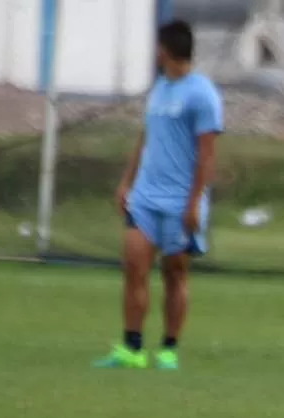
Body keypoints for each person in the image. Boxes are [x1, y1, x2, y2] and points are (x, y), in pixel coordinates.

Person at [95, 20, 222, 371]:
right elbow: (145, 137)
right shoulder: (159, 88)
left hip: (181, 201)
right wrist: (126, 182)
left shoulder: (202, 94)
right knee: (134, 267)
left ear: (165, 50)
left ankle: (168, 348)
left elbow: (207, 154)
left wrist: (195, 202)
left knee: (174, 274)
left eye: (157, 47)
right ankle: (131, 348)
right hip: (146, 197)